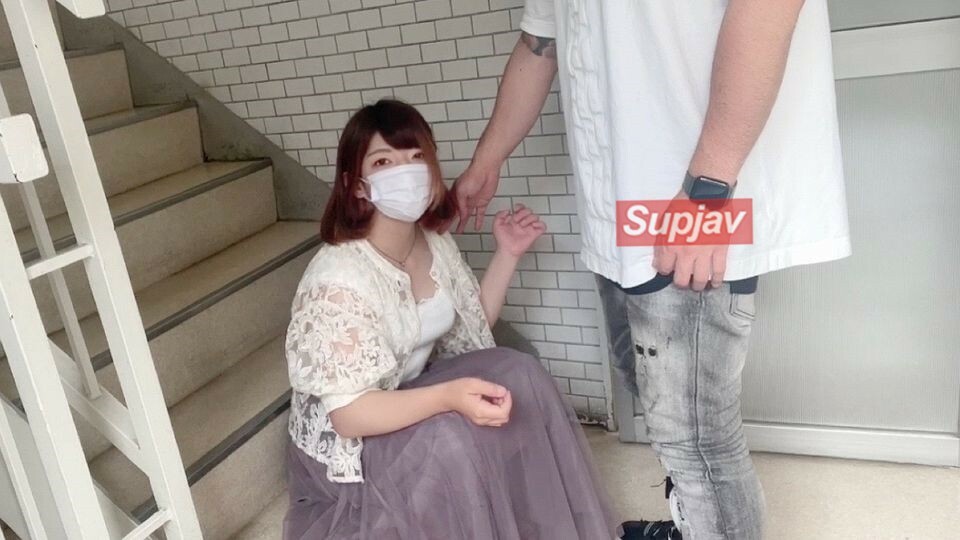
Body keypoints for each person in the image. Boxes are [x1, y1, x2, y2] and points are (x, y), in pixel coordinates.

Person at [453, 1, 851, 539]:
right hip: (622, 207)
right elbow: (538, 44)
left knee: (697, 438)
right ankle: (693, 526)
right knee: (662, 412)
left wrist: (708, 188)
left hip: (692, 194)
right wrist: (487, 158)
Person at [282, 99, 622, 539]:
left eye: (416, 157)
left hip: (407, 389)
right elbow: (350, 415)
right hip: (350, 440)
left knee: (521, 372)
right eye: (383, 162)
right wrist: (449, 397)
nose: (406, 171)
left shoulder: (433, 243)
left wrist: (508, 253)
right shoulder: (339, 278)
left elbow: (471, 327)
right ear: (358, 186)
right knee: (451, 439)